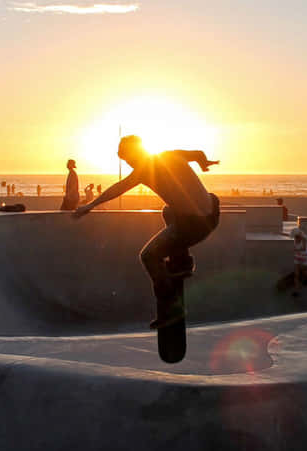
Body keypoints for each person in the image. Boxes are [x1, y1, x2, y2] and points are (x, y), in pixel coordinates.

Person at [73, 135, 220, 327]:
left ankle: (171, 309)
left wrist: (90, 205)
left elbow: (118, 188)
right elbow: (198, 154)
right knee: (168, 211)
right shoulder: (169, 155)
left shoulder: (143, 170)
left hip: (195, 226)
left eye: (127, 159)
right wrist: (204, 163)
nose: (128, 164)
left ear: (135, 153)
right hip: (213, 212)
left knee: (148, 256)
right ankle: (183, 260)